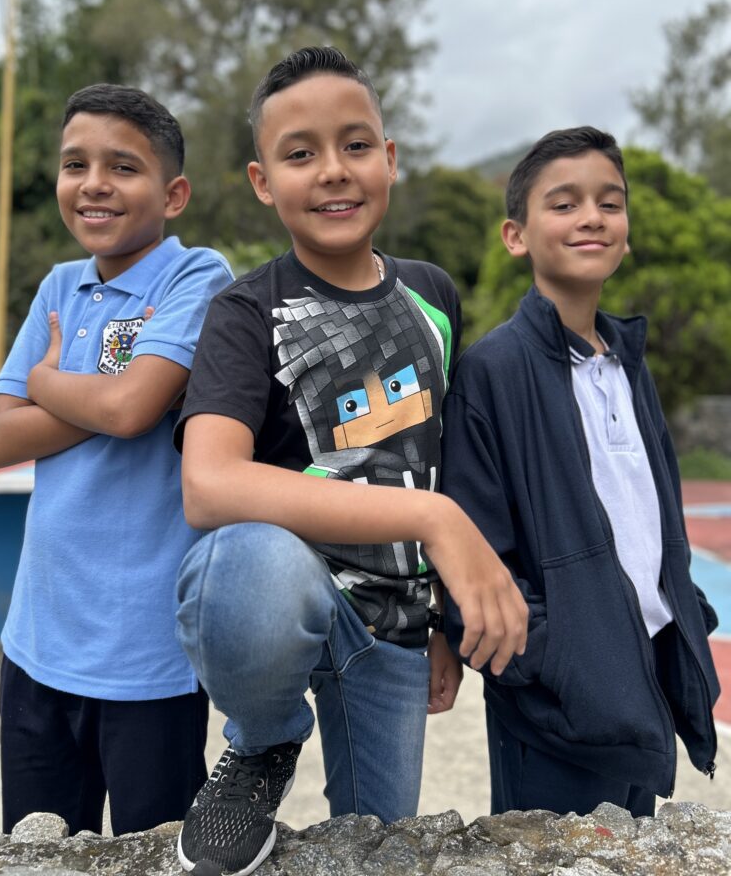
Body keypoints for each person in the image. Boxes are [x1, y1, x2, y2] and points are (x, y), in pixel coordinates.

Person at [173, 46, 529, 875]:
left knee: (377, 848)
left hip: (394, 628)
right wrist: (432, 518)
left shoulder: (433, 294)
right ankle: (263, 742)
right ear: (263, 181)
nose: (333, 170)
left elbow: (439, 456)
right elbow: (209, 483)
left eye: (356, 145)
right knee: (247, 562)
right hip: (288, 598)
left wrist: (441, 620)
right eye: (300, 154)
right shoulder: (244, 312)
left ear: (390, 159)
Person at [441, 126, 720, 818]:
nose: (591, 217)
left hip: (644, 687)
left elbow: (652, 517)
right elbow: (476, 554)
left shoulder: (629, 363)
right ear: (516, 236)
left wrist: (684, 611)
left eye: (609, 203)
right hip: (556, 714)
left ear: (625, 235)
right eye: (564, 204)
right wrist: (559, 661)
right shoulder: (491, 371)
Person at [0, 84, 234, 836]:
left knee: (154, 851)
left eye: (123, 167)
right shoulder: (60, 286)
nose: (94, 184)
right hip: (36, 644)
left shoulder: (197, 277)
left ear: (174, 194)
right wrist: (112, 396)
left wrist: (47, 382)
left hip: (148, 656)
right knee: (39, 851)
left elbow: (131, 411)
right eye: (75, 164)